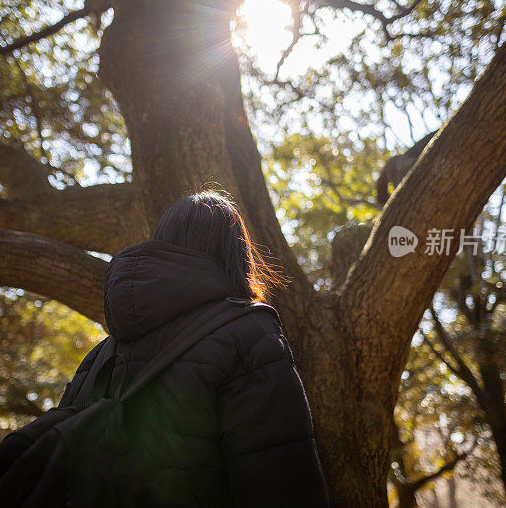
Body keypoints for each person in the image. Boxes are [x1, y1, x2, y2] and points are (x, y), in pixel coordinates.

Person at [58, 190, 329, 507]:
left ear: (162, 244)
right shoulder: (248, 334)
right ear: (236, 253)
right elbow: (281, 475)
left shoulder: (100, 356)